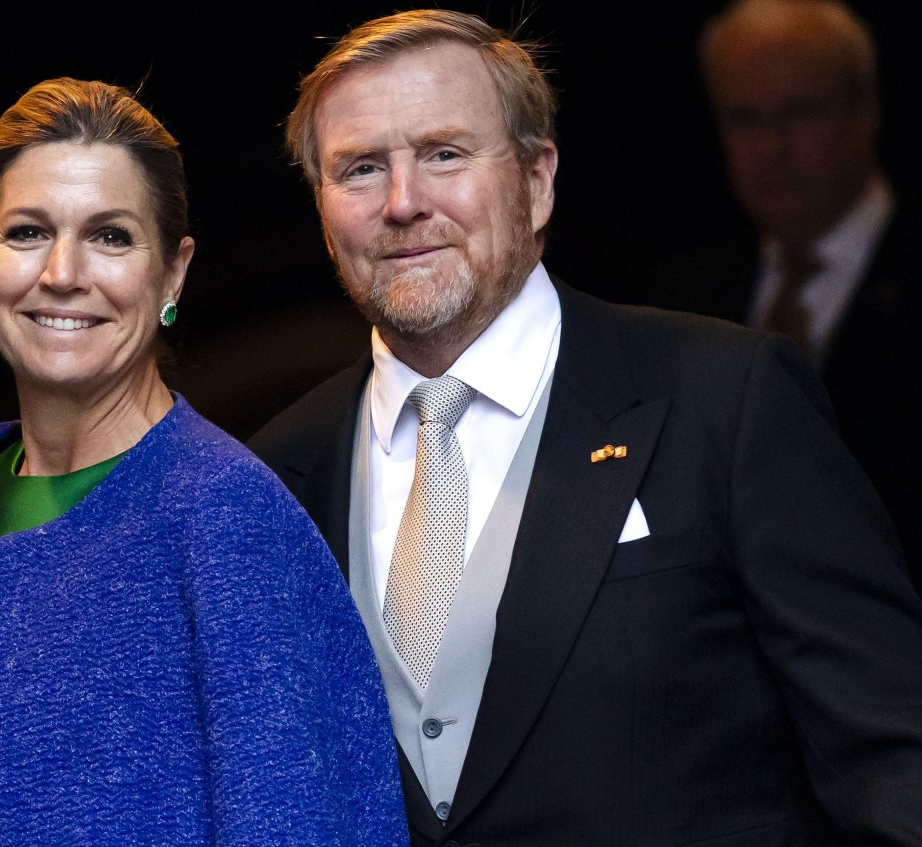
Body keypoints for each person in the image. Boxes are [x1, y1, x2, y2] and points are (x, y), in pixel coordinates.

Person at [248, 9, 922, 845]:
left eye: (444, 154)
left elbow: (893, 760)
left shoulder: (725, 398)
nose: (402, 202)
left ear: (537, 180)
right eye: (358, 169)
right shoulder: (275, 475)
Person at [0, 77, 408, 846]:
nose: (63, 272)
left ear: (173, 273)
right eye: (28, 232)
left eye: (110, 235)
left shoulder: (229, 523)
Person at [641, 0, 921, 589]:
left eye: (798, 114)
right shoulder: (680, 302)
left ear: (864, 107)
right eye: (744, 119)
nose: (770, 147)